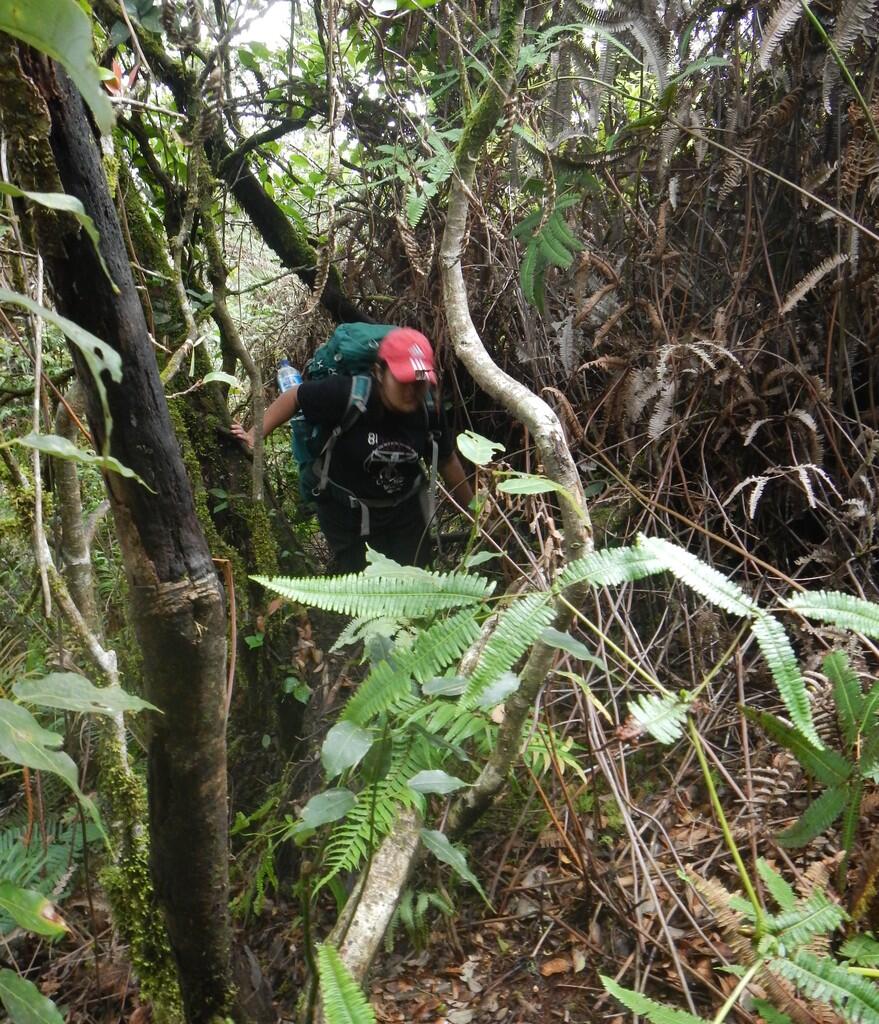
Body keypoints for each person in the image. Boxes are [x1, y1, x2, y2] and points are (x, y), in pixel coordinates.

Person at [232, 328, 473, 574]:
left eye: (419, 381)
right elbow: (295, 397)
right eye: (403, 381)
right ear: (379, 372)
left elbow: (446, 460)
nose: (412, 390)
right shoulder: (348, 394)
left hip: (405, 513)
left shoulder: (429, 407)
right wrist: (253, 436)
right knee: (365, 595)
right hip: (347, 515)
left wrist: (476, 513)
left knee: (415, 585)